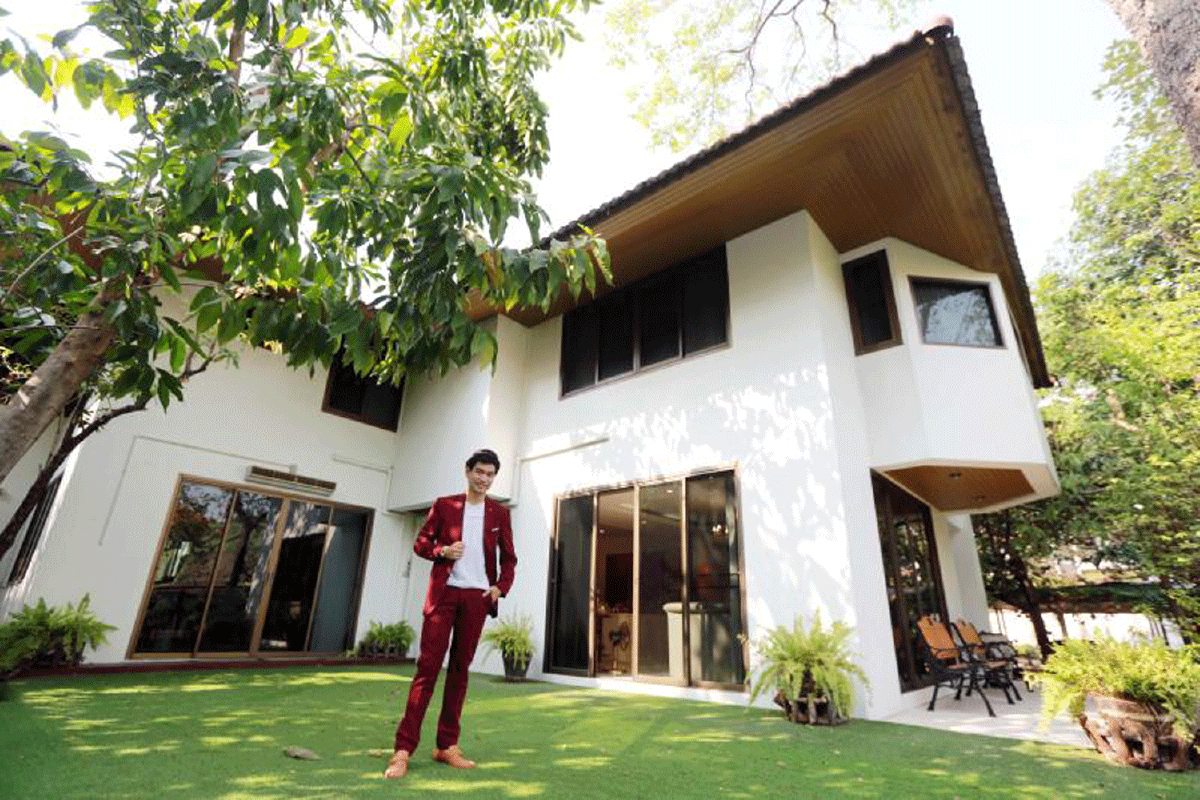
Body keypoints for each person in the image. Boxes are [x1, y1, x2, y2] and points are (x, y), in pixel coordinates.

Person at [384, 448, 517, 779]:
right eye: (479, 472)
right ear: (468, 471)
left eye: (490, 474)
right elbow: (421, 544)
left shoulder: (500, 514)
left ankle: (447, 745)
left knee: (460, 671)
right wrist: (442, 550)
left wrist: (500, 587)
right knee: (427, 669)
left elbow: (509, 558)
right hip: (444, 595)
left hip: (477, 597)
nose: (484, 479)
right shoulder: (445, 505)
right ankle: (403, 750)